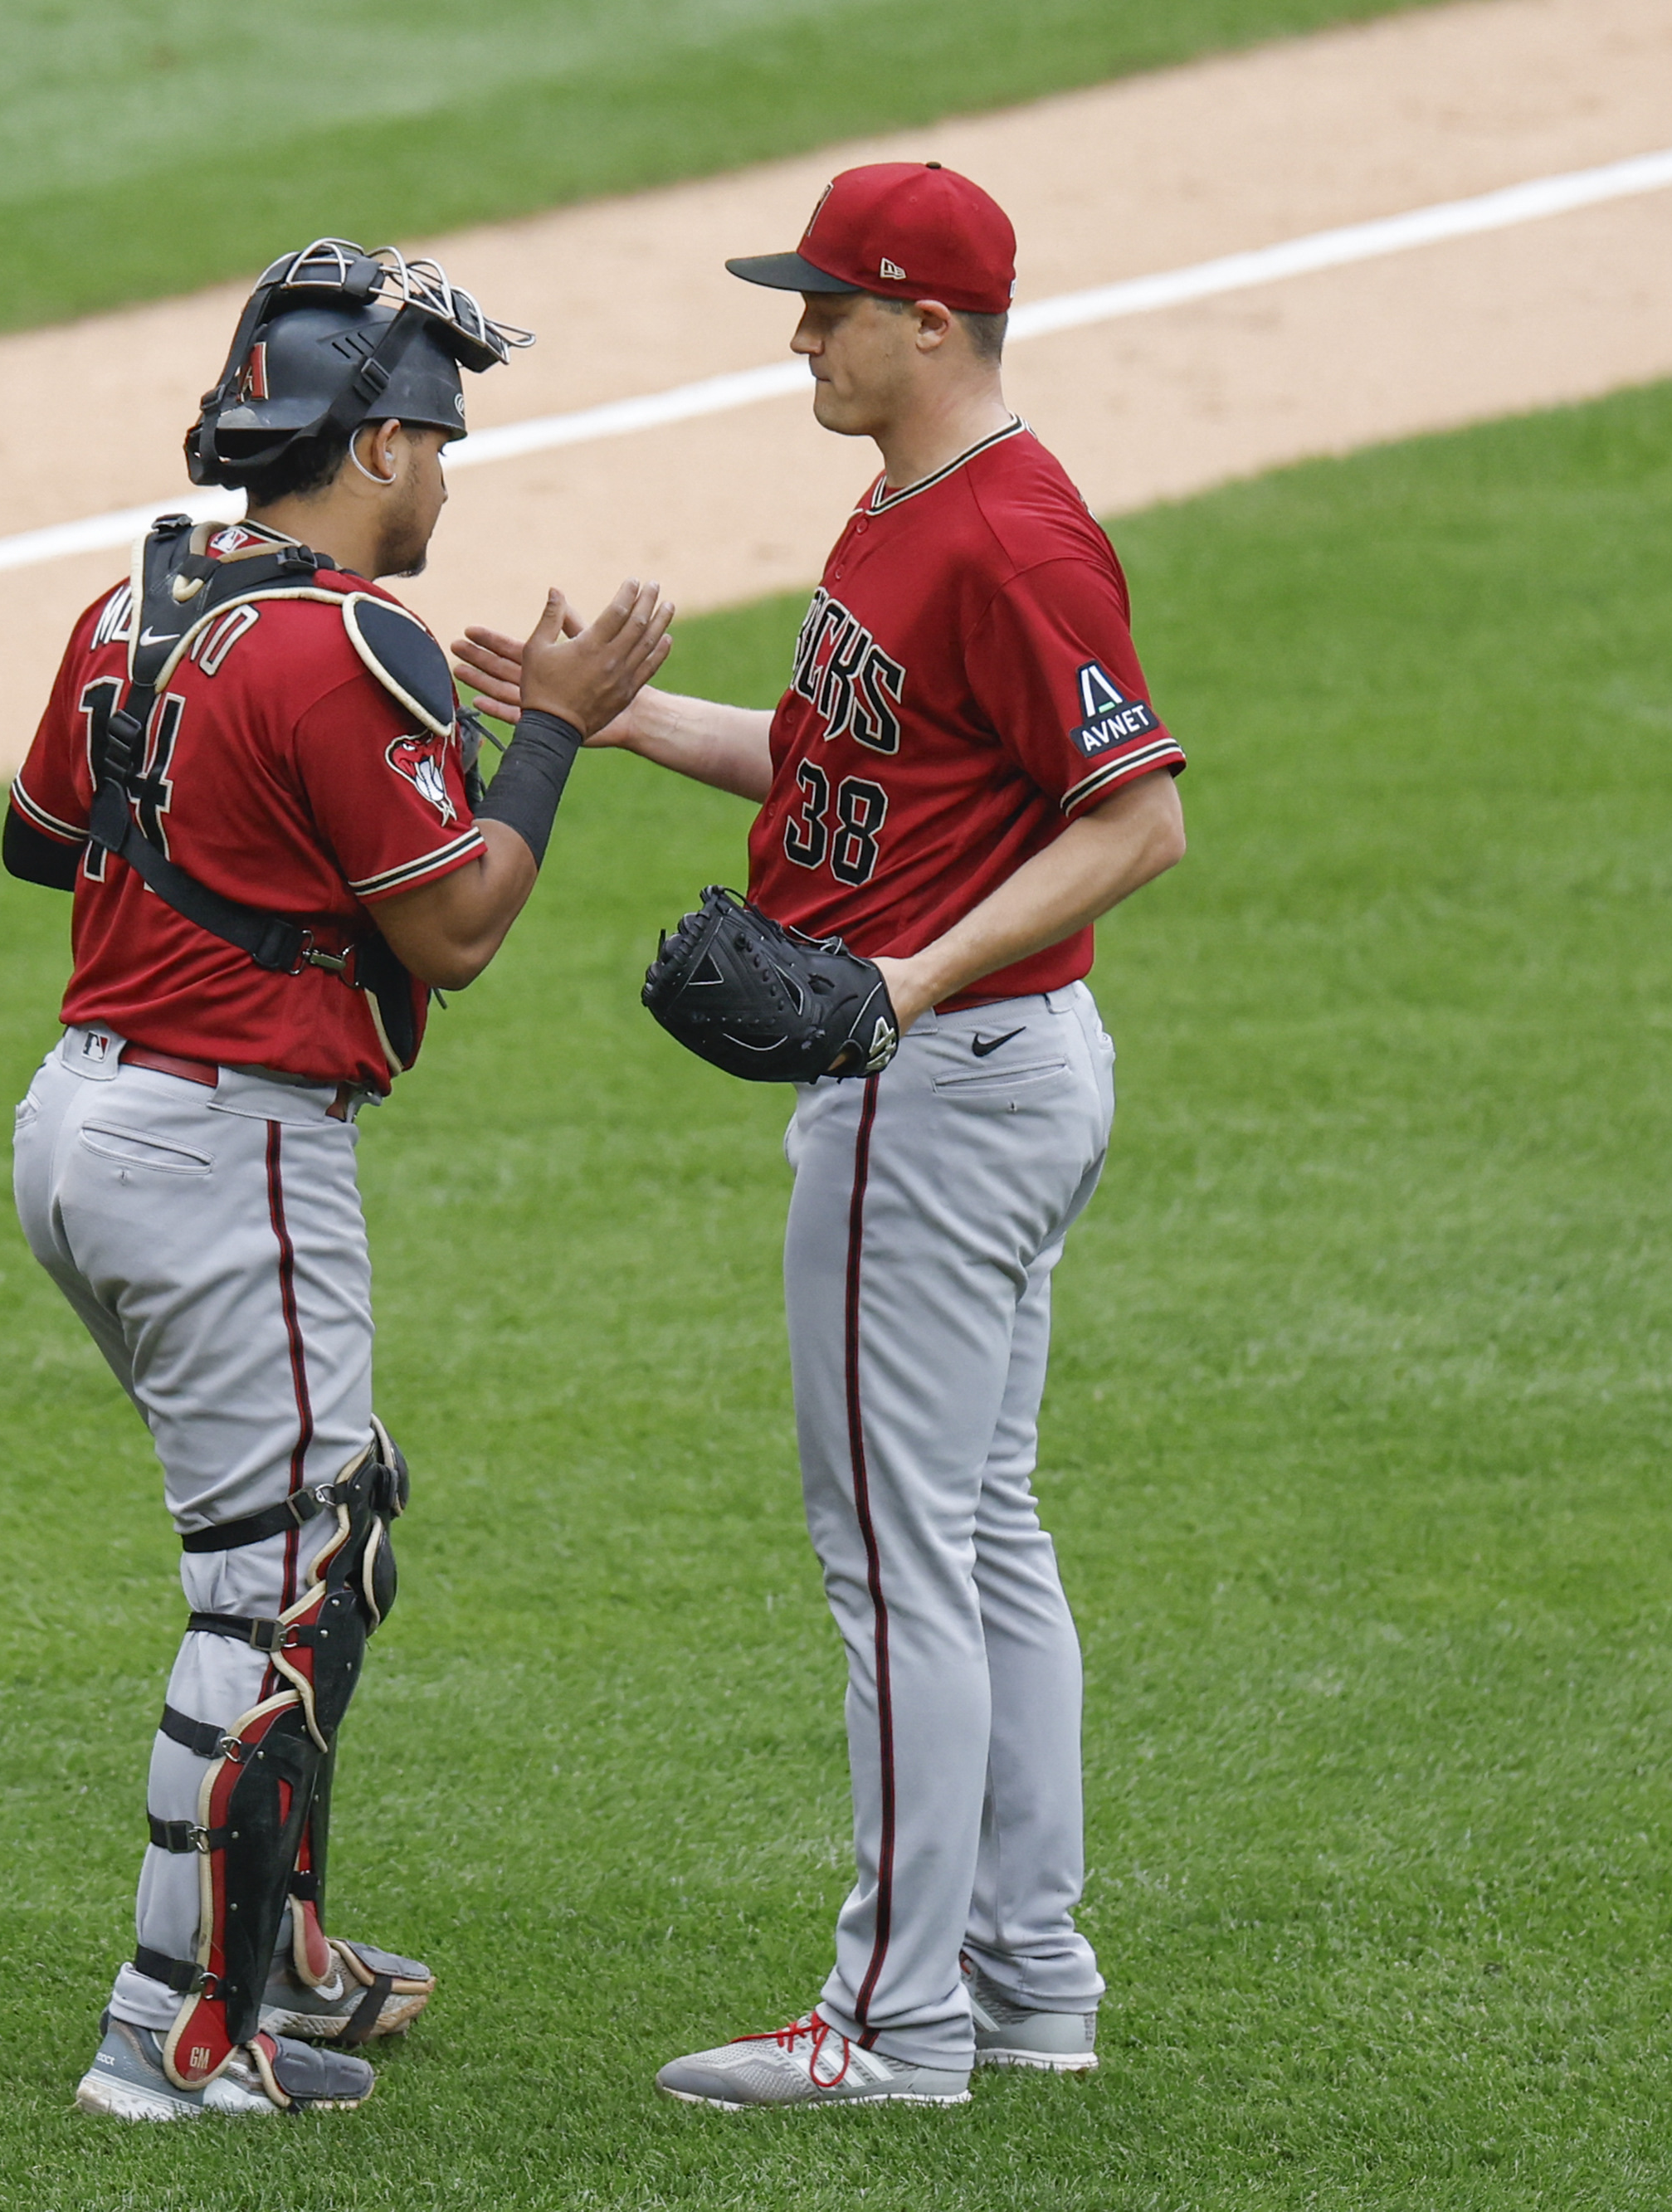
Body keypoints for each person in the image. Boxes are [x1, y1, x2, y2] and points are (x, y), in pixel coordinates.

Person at [456, 163, 1188, 2110]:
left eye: (827, 306)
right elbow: (842, 758)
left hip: (938, 1092)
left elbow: (1134, 819)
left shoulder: (1014, 538)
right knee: (980, 1531)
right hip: (983, 1071)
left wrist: (903, 983)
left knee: (894, 1563)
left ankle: (893, 2019)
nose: (797, 332)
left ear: (925, 324)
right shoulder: (905, 509)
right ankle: (1026, 1974)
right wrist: (596, 719)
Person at [4, 239, 673, 2120]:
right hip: (227, 1141)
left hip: (75, 1122)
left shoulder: (130, 605)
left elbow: (38, 838)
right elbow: (456, 925)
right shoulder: (343, 635)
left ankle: (275, 1943)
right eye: (438, 441)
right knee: (276, 1579)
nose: (448, 478)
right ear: (371, 443)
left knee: (335, 1516)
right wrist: (552, 720)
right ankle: (174, 2034)